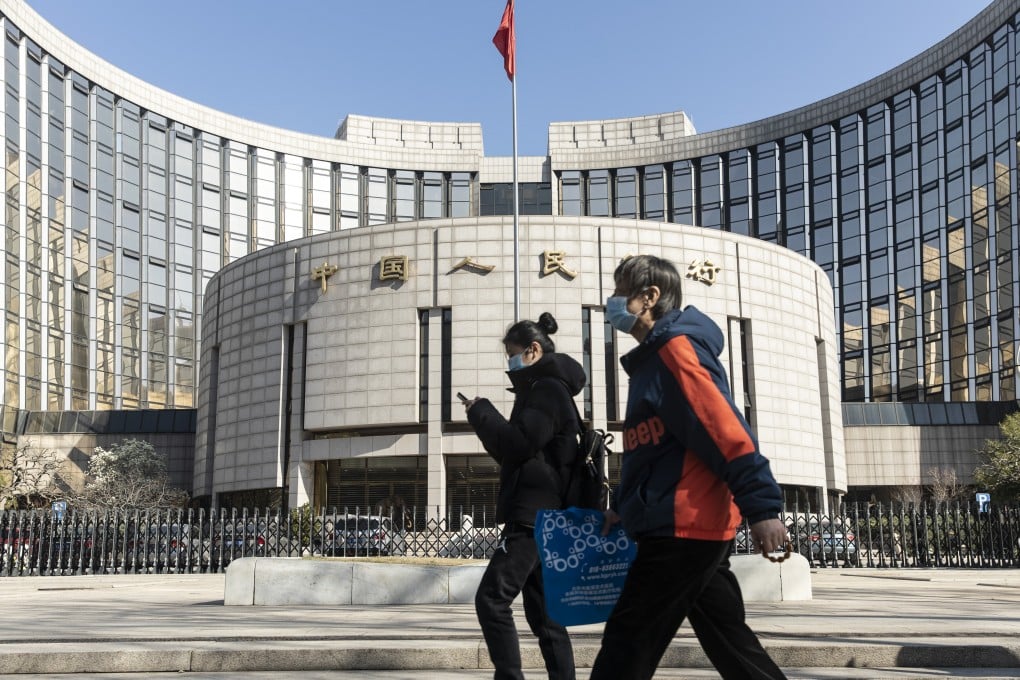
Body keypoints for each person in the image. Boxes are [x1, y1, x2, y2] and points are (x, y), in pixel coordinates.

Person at [589, 255, 789, 680]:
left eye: (620, 291)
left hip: (684, 525)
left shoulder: (676, 351)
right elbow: (655, 452)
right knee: (729, 639)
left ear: (649, 297)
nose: (612, 300)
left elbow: (723, 428)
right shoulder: (653, 360)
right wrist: (625, 507)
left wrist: (762, 507)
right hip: (687, 523)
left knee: (628, 640)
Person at [463, 312, 585, 680]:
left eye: (513, 354)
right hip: (547, 516)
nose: (509, 363)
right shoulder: (545, 390)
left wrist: (482, 412)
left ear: (533, 350)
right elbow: (516, 451)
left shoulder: (546, 390)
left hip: (534, 518)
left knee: (492, 599)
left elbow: (516, 444)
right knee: (546, 617)